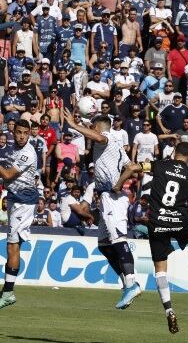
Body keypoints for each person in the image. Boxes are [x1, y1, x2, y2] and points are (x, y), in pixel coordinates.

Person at [112, 142, 188, 334]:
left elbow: (133, 167)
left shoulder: (160, 165)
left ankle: (169, 311)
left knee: (160, 270)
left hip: (157, 222)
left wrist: (118, 186)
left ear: (174, 153)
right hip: (179, 219)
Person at [62, 110, 140, 309]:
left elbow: (97, 136)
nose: (90, 132)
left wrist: (72, 124)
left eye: (92, 128)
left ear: (97, 129)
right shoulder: (117, 145)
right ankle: (126, 283)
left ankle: (132, 284)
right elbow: (133, 167)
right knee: (104, 245)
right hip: (107, 197)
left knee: (118, 239)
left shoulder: (104, 138)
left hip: (113, 198)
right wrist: (121, 181)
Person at [0, 120, 39, 310]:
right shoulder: (14, 148)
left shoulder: (27, 153)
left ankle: (8, 293)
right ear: (13, 132)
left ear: (30, 134)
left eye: (26, 133)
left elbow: (7, 176)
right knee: (12, 246)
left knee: (12, 246)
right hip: (16, 200)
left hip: (24, 201)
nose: (22, 136)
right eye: (19, 132)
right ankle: (5, 290)